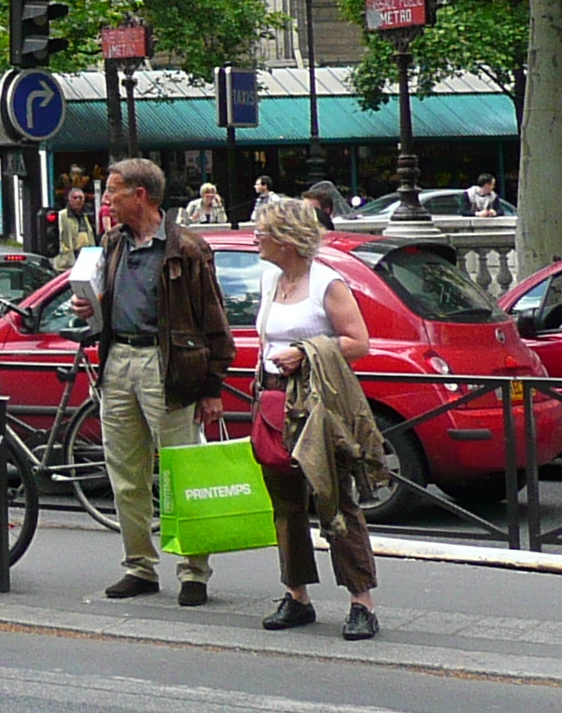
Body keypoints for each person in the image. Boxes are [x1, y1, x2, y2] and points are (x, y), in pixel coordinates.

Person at [73, 157, 232, 603]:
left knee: (180, 474)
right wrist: (91, 308)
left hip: (167, 367)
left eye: (114, 190)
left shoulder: (188, 248)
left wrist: (212, 387)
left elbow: (214, 321)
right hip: (118, 359)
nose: (106, 199)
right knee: (125, 473)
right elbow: (106, 299)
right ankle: (139, 566)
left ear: (140, 195)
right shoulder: (113, 242)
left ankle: (193, 572)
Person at [249, 196, 383, 640]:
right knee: (285, 503)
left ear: (286, 239)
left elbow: (358, 342)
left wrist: (304, 352)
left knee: (335, 500)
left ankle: (361, 602)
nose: (255, 237)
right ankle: (297, 594)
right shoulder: (271, 279)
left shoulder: (326, 282)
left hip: (318, 405)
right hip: (275, 403)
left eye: (262, 231)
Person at [53, 183, 96, 273]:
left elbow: (90, 236)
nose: (78, 200)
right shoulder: (62, 215)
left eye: (81, 198)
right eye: (75, 198)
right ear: (69, 199)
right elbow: (57, 237)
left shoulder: (85, 216)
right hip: (67, 263)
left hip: (84, 261)